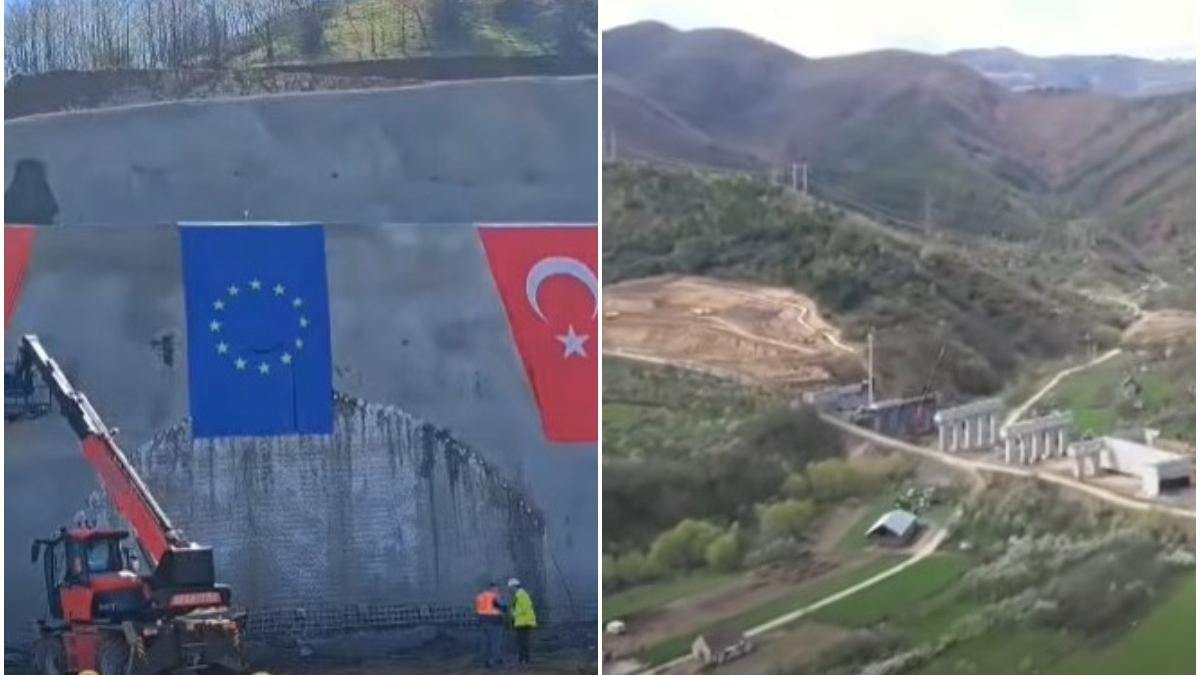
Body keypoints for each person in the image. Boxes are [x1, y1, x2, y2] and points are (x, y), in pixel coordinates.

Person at [475, 580, 507, 667]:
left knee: (485, 642)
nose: (498, 589)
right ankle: (496, 660)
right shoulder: (495, 597)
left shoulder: (480, 596)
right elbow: (503, 608)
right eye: (497, 587)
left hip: (483, 622)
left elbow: (477, 610)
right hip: (495, 623)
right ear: (494, 588)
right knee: (496, 642)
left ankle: (486, 660)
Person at [507, 577, 537, 665]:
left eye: (510, 588)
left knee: (522, 641)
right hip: (523, 622)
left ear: (514, 586)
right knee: (523, 641)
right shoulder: (520, 594)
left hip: (523, 622)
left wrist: (514, 613)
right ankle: (523, 658)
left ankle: (524, 659)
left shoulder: (521, 594)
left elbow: (525, 608)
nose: (510, 590)